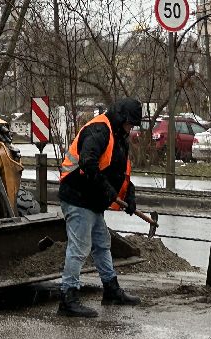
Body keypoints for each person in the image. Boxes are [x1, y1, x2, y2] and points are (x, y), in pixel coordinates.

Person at [55, 97, 144, 318]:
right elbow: (88, 163)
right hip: (77, 195)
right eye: (130, 123)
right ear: (122, 117)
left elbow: (118, 171)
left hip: (92, 199)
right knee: (79, 247)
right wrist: (107, 191)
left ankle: (111, 290)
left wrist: (129, 194)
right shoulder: (99, 129)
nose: (131, 128)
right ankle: (68, 298)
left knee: (102, 244)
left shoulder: (118, 135)